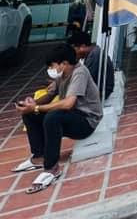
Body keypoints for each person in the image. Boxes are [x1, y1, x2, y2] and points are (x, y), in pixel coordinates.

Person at [12, 44, 103, 193]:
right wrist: (31, 105)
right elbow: (49, 95)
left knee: (53, 117)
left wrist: (36, 108)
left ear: (64, 63)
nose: (51, 70)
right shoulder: (62, 75)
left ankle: (51, 168)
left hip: (87, 121)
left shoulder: (79, 73)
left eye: (52, 66)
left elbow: (68, 103)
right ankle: (39, 156)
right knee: (30, 114)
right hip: (72, 116)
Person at [67, 30, 115, 99]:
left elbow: (83, 79)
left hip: (101, 92)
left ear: (82, 46)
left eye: (74, 50)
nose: (73, 53)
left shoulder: (94, 55)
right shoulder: (93, 52)